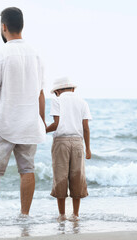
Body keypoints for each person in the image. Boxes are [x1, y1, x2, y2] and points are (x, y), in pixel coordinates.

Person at [0, 7, 46, 219]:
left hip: (4, 124)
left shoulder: (0, 55)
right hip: (29, 124)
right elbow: (41, 93)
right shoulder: (37, 55)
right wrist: (41, 120)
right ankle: (25, 215)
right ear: (21, 25)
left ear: (3, 27)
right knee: (27, 170)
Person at [46, 77, 92, 222]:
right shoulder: (82, 102)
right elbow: (86, 128)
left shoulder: (57, 100)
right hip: (78, 143)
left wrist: (42, 131)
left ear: (58, 91)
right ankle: (76, 215)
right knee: (77, 177)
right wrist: (88, 149)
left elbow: (56, 124)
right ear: (72, 89)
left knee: (61, 177)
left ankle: (62, 215)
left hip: (61, 142)